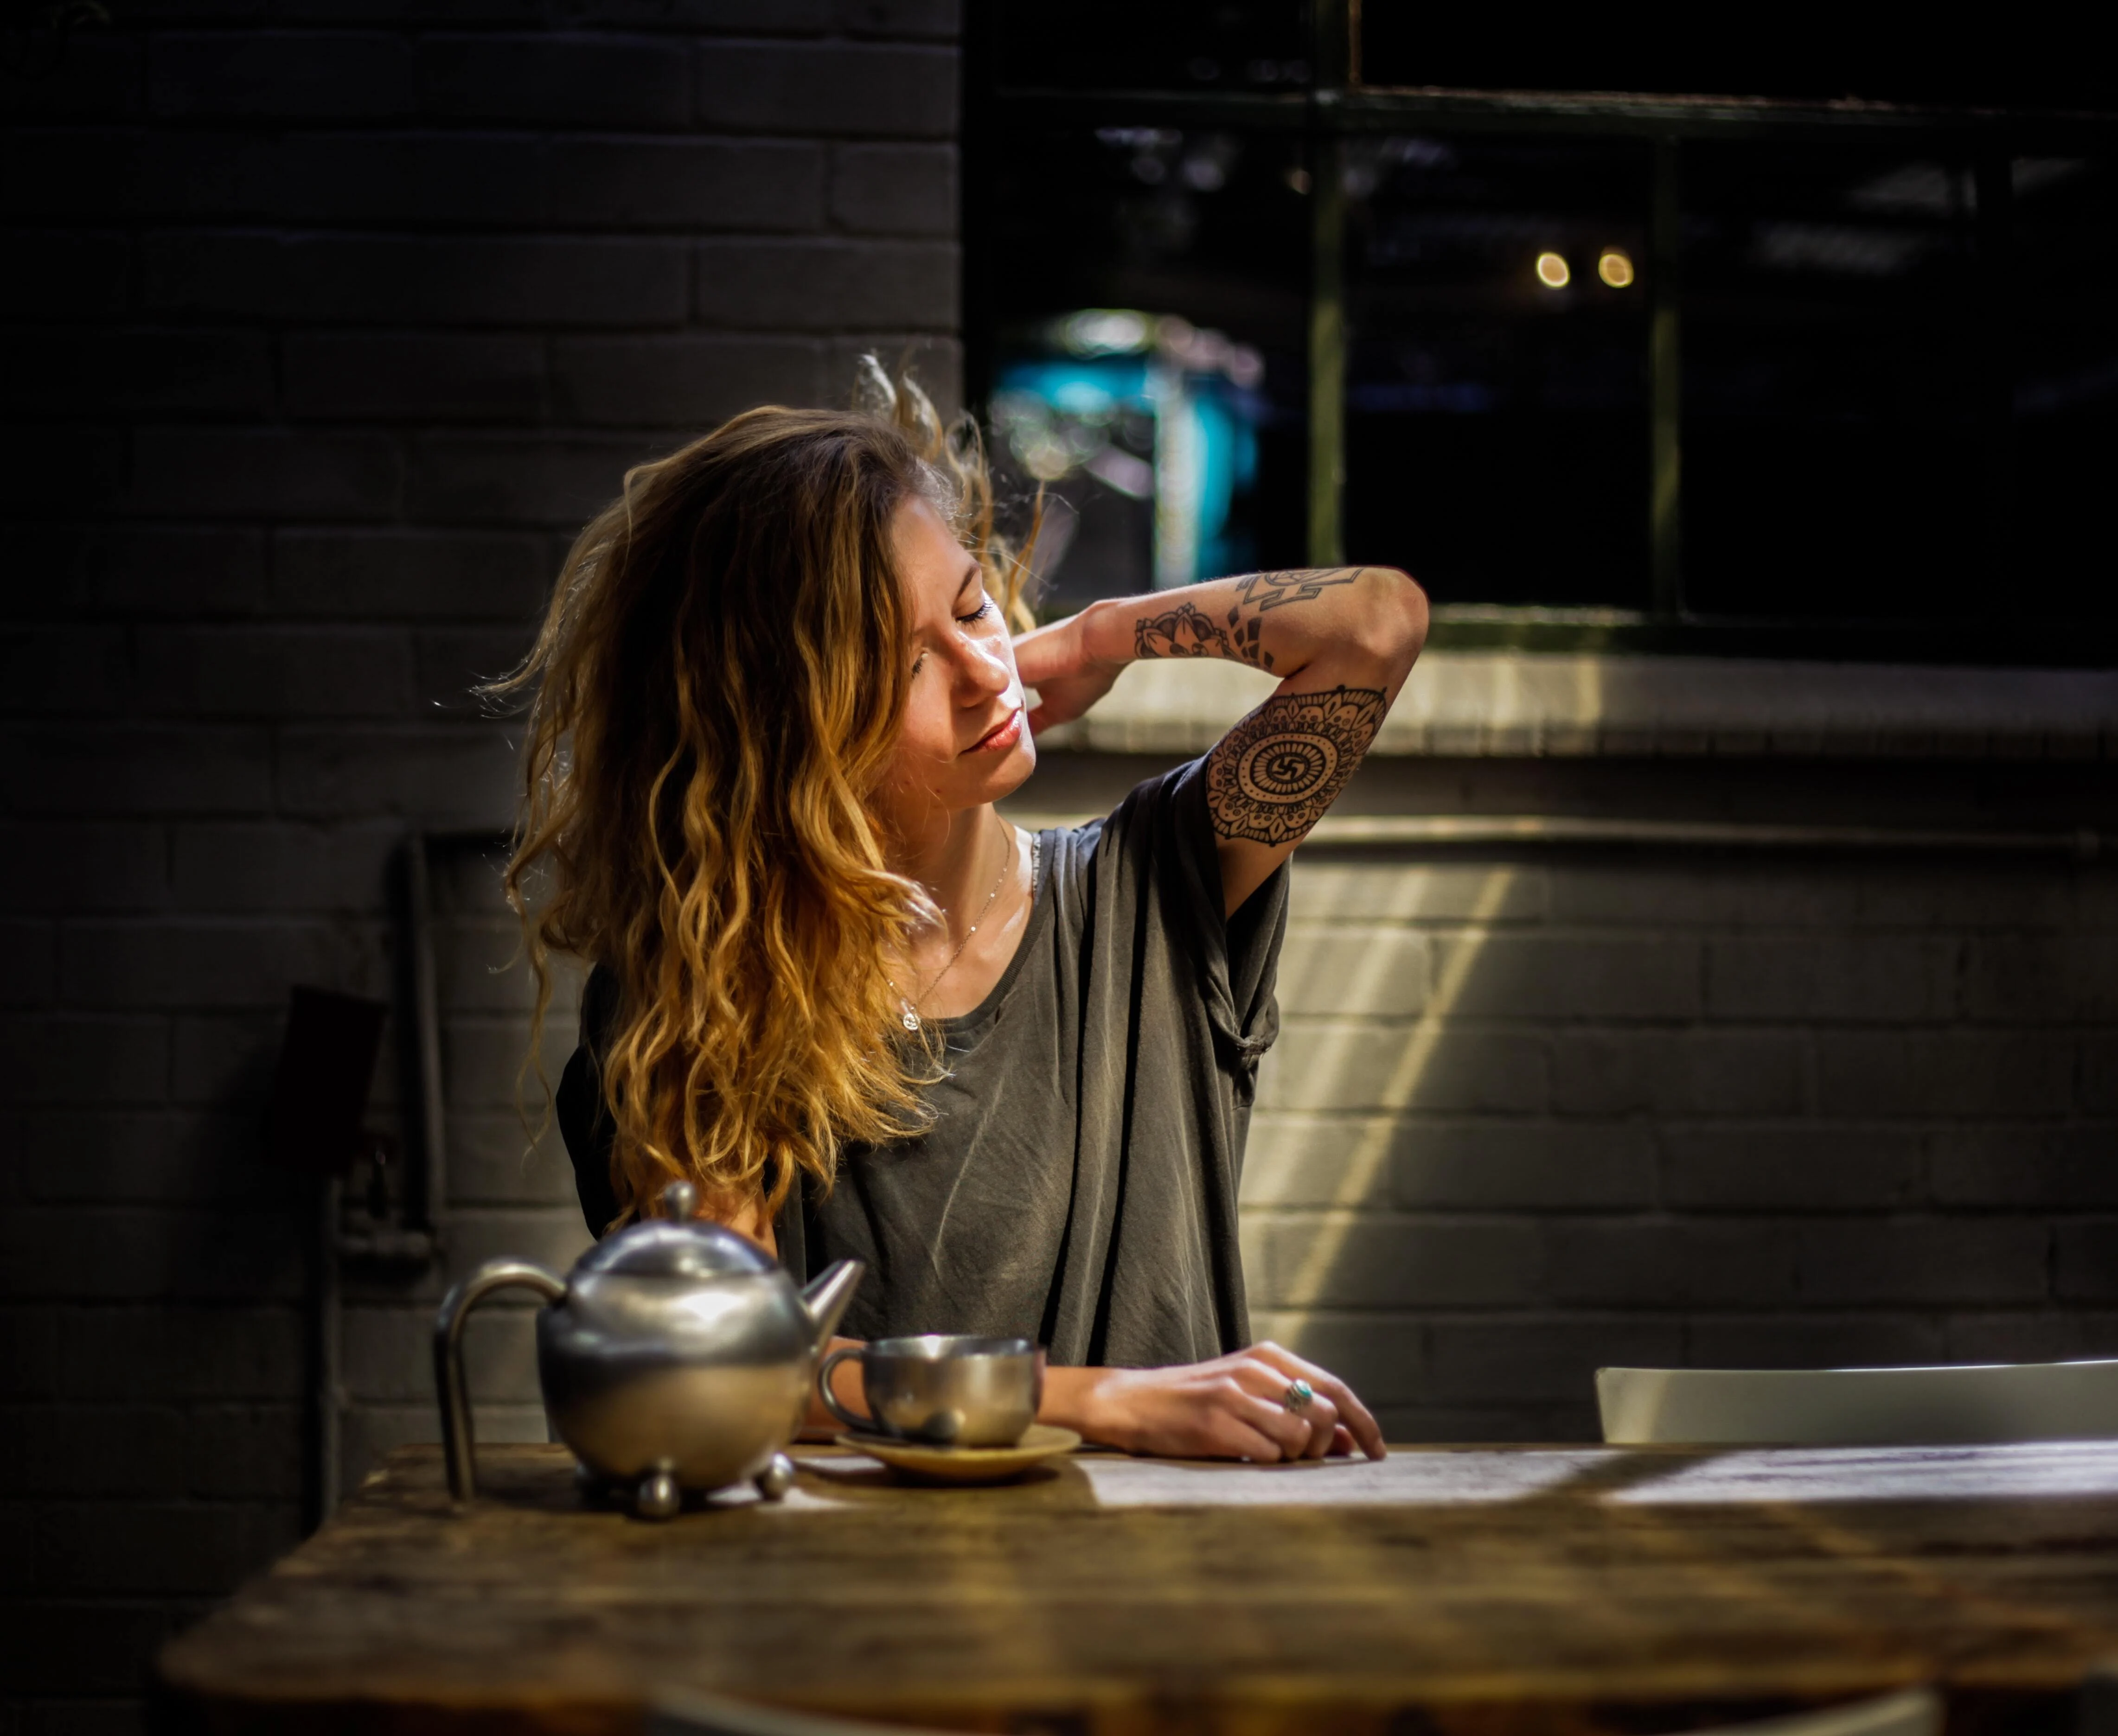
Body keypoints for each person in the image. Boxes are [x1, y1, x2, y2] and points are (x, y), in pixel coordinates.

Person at [494, 365, 1427, 1464]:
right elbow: (720, 1368)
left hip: (1169, 1595)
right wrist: (1100, 1400)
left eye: (974, 604)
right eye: (901, 668)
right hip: (865, 1613)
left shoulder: (1155, 889)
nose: (986, 674)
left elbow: (1374, 626)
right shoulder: (703, 994)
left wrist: (1098, 638)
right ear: (788, 736)